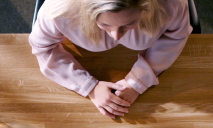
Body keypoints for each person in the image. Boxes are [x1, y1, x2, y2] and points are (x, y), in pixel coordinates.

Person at [29, 0, 192, 119]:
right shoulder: (60, 10)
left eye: (128, 24)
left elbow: (176, 37)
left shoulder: (171, 4)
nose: (116, 35)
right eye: (105, 25)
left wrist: (137, 81)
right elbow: (42, 47)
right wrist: (89, 86)